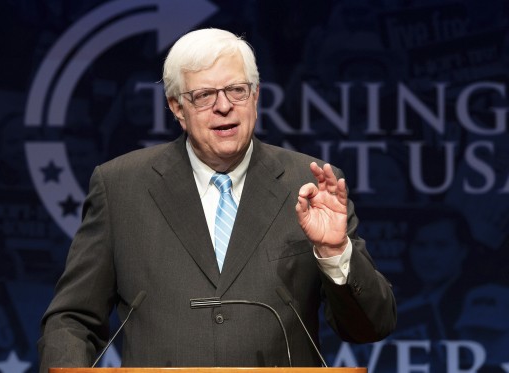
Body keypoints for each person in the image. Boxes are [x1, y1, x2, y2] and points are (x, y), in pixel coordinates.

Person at [38, 28, 396, 371]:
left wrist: (335, 252)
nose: (223, 106)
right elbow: (73, 319)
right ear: (177, 108)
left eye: (236, 90)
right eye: (204, 95)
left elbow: (370, 327)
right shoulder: (120, 187)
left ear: (255, 97)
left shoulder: (310, 185)